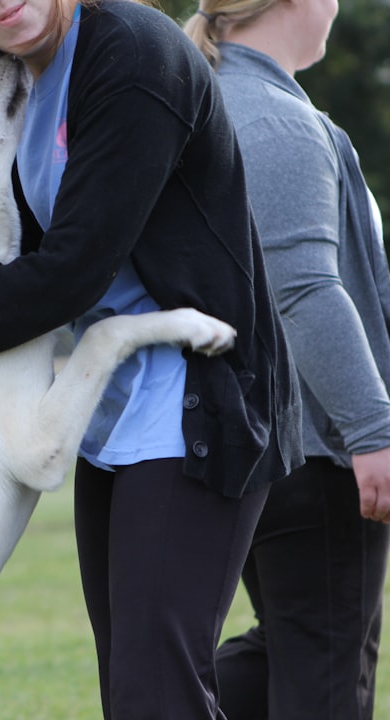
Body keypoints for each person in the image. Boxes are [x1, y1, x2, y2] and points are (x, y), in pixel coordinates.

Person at [0, 0, 304, 717]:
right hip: (110, 417)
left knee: (155, 696)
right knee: (137, 696)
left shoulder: (131, 52)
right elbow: (14, 258)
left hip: (201, 399)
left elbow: (72, 273)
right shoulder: (20, 85)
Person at [182, 3, 390, 718]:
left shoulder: (214, 100)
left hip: (264, 443)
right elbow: (304, 292)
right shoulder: (272, 120)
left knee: (291, 645)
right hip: (314, 452)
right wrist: (372, 431)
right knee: (327, 673)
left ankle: (165, 696)